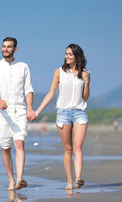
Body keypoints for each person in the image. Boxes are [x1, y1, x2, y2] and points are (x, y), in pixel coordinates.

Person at [35, 44, 90, 190]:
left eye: (70, 54)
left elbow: (85, 97)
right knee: (68, 149)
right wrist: (37, 111)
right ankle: (69, 182)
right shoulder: (59, 72)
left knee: (78, 147)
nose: (67, 57)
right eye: (66, 54)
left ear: (78, 56)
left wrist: (87, 81)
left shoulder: (84, 73)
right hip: (63, 114)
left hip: (80, 113)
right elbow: (51, 93)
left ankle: (78, 178)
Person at [0, 37, 36, 191]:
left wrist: (29, 108)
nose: (5, 49)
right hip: (2, 113)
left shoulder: (23, 66)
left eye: (9, 47)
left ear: (15, 49)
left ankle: (20, 179)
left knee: (19, 143)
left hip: (20, 111)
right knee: (6, 147)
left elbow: (28, 89)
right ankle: (11, 180)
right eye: (3, 46)